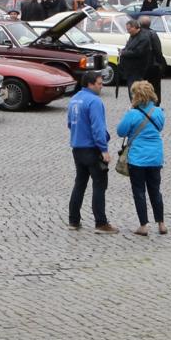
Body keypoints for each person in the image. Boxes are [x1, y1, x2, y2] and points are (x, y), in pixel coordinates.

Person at [116, 81, 167, 236]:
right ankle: (161, 223)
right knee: (155, 191)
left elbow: (120, 131)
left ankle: (143, 226)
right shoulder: (158, 112)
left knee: (139, 192)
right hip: (155, 157)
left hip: (137, 158)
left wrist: (129, 113)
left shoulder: (132, 114)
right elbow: (160, 127)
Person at [66, 70, 114, 231]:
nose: (102, 87)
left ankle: (73, 220)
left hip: (77, 148)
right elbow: (98, 128)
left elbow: (69, 124)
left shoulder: (74, 99)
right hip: (92, 149)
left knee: (80, 183)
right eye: (99, 84)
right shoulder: (94, 101)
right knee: (99, 185)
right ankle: (101, 222)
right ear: (90, 84)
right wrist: (104, 149)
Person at [116, 17, 161, 101]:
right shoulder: (132, 36)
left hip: (138, 69)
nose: (128, 31)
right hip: (130, 69)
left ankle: (138, 104)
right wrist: (123, 51)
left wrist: (124, 53)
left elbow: (138, 52)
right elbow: (129, 47)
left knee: (136, 89)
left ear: (134, 27)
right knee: (132, 89)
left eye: (129, 29)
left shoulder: (143, 38)